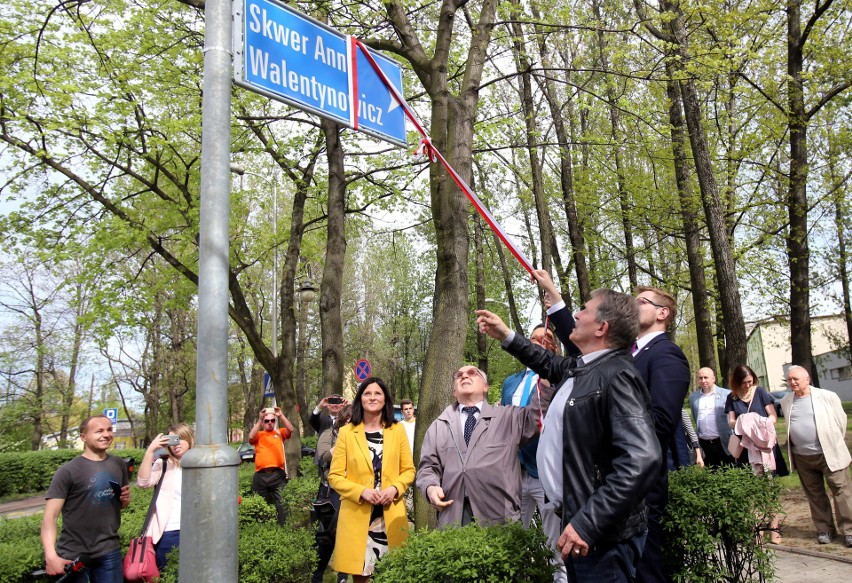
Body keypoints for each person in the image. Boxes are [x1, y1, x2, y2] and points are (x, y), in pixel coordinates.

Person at [477, 289, 661, 583]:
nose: (576, 315)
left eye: (584, 310)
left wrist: (587, 524)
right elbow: (548, 362)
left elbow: (641, 459)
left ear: (602, 328)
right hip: (579, 525)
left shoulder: (618, 375)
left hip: (601, 537)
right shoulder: (586, 367)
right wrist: (507, 335)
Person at [417, 363, 550, 528]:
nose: (464, 376)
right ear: (454, 392)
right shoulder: (438, 426)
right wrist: (430, 487)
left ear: (486, 387)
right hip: (453, 518)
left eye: (472, 373)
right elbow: (427, 467)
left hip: (499, 518)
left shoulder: (508, 418)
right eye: (459, 375)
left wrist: (545, 376)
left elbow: (537, 416)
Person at [631, 286, 691, 583]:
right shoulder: (629, 353)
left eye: (640, 301)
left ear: (662, 313)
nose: (632, 305)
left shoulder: (666, 354)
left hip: (640, 481)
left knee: (645, 568)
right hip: (620, 479)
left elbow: (661, 422)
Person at [329, 377, 415, 582]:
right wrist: (361, 491)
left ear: (385, 400)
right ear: (360, 399)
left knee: (392, 574)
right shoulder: (347, 433)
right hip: (358, 516)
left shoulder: (397, 430)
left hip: (390, 514)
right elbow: (334, 476)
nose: (372, 397)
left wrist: (395, 488)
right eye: (367, 393)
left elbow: (409, 470)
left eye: (378, 393)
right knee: (361, 575)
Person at [500, 322, 567, 582]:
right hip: (515, 473)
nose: (539, 342)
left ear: (554, 346)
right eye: (534, 338)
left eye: (546, 338)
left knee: (554, 543)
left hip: (546, 473)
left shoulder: (562, 378)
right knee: (515, 536)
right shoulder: (510, 383)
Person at [41, 415, 131, 582]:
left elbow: (120, 504)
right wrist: (51, 556)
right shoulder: (67, 471)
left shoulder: (118, 464)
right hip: (74, 555)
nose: (106, 434)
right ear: (83, 437)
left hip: (109, 551)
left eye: (109, 429)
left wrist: (124, 500)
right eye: (99, 431)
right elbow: (50, 517)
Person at [781, 366, 852, 547]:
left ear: (808, 379)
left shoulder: (827, 396)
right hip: (802, 457)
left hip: (829, 453)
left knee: (842, 492)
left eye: (796, 379)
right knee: (815, 494)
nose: (792, 382)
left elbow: (841, 422)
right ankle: (825, 530)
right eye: (789, 380)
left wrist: (832, 443)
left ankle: (850, 531)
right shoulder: (786, 401)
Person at [725, 364, 788, 543]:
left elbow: (773, 416)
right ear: (737, 382)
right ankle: (757, 529)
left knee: (770, 489)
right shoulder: (732, 397)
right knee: (752, 491)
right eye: (744, 382)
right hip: (745, 449)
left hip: (764, 447)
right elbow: (731, 421)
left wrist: (759, 422)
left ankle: (774, 528)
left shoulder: (760, 392)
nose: (747, 385)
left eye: (750, 381)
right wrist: (743, 421)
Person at [136, 422, 195, 570]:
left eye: (180, 439)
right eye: (171, 441)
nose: (176, 444)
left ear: (189, 439)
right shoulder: (163, 464)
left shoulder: (200, 463)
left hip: (197, 529)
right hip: (170, 531)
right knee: (169, 573)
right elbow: (143, 483)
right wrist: (150, 452)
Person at [312, 405, 353, 583]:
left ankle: (343, 577)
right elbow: (321, 460)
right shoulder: (329, 434)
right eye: (349, 420)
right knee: (328, 536)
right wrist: (340, 445)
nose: (352, 424)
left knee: (347, 536)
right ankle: (317, 574)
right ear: (343, 420)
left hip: (352, 491)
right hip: (331, 491)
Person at [248, 406, 295, 526]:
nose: (270, 423)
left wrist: (281, 415)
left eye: (272, 421)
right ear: (263, 422)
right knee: (261, 504)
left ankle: (283, 528)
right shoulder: (259, 434)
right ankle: (264, 528)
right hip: (261, 475)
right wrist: (259, 419)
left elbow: (291, 429)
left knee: (282, 503)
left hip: (277, 475)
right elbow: (250, 437)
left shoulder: (280, 433)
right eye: (267, 421)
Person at [688, 367, 734, 467]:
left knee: (728, 472)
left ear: (713, 378)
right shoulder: (693, 398)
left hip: (723, 443)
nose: (703, 380)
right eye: (700, 378)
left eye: (706, 377)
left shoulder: (726, 394)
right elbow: (695, 417)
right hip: (704, 445)